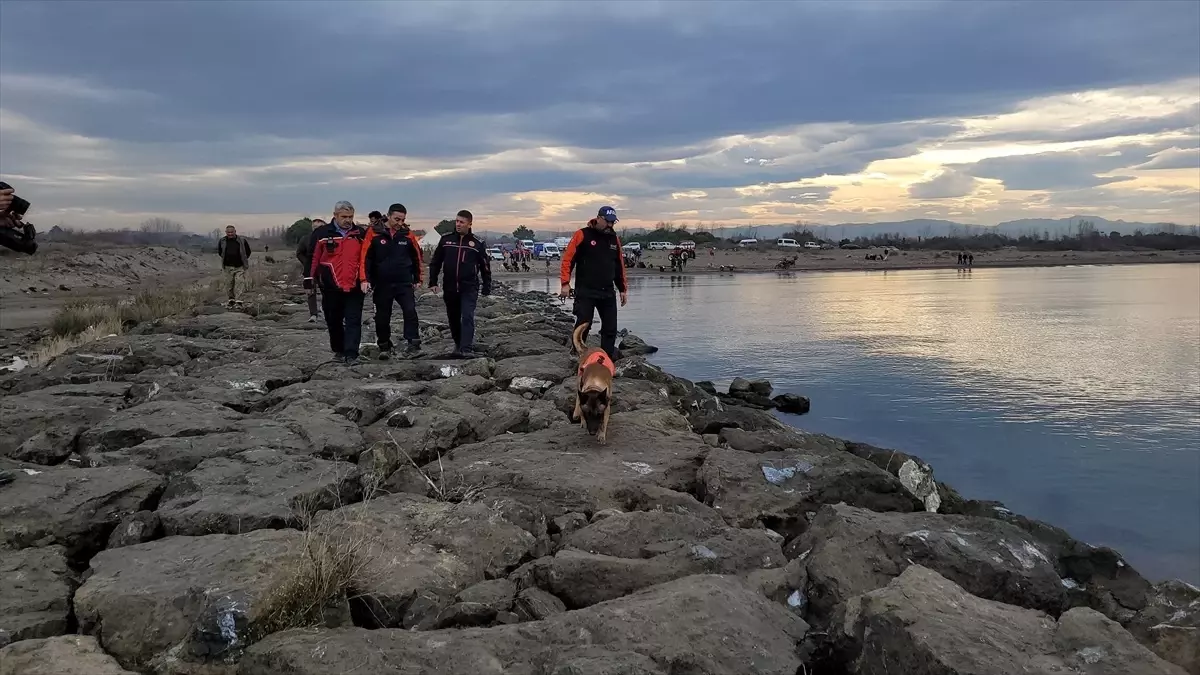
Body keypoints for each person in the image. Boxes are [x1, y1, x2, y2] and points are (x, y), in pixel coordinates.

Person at [560, 206, 628, 361]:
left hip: (607, 291)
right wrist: (565, 283)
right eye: (608, 222)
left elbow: (619, 265)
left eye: (613, 222)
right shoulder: (582, 234)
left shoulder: (614, 238)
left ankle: (606, 359)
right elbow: (568, 260)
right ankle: (577, 354)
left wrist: (623, 289)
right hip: (586, 290)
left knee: (610, 328)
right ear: (599, 218)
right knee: (584, 324)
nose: (610, 225)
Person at [309, 201, 369, 365]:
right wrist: (310, 279)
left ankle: (351, 354)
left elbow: (367, 259)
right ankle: (339, 350)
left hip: (355, 285)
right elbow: (313, 257)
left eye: (350, 217)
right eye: (344, 217)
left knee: (353, 320)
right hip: (330, 286)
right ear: (335, 215)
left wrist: (367, 278)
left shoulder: (360, 234)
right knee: (333, 319)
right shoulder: (321, 233)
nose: (348, 220)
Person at [360, 203, 423, 359]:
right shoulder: (374, 232)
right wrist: (364, 279)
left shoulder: (407, 234)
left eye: (402, 220)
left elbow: (417, 257)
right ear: (388, 216)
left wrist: (418, 278)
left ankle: (413, 344)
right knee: (382, 316)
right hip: (382, 283)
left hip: (404, 281)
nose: (400, 223)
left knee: (410, 311)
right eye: (397, 219)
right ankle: (384, 345)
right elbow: (365, 257)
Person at [429, 209, 491, 358]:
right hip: (450, 287)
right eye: (457, 221)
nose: (458, 224)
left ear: (469, 224)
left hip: (469, 287)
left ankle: (466, 348)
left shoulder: (476, 243)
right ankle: (458, 345)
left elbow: (485, 266)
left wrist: (487, 285)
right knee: (453, 317)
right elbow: (436, 262)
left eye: (461, 222)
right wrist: (433, 281)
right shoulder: (446, 240)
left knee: (467, 316)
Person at [295, 218, 325, 322]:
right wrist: (307, 262)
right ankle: (313, 314)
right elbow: (299, 253)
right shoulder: (306, 239)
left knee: (328, 292)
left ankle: (327, 311)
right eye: (315, 227)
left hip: (325, 270)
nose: (317, 229)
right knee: (311, 292)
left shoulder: (328, 238)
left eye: (320, 227)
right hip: (310, 270)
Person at [217, 225, 252, 308]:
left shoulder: (242, 240)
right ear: (226, 232)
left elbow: (248, 252)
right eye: (228, 232)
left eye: (231, 232)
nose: (230, 234)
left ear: (235, 231)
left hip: (239, 266)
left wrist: (243, 260)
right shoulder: (222, 241)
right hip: (228, 267)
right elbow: (220, 252)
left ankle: (239, 301)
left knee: (240, 282)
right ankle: (231, 300)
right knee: (229, 284)